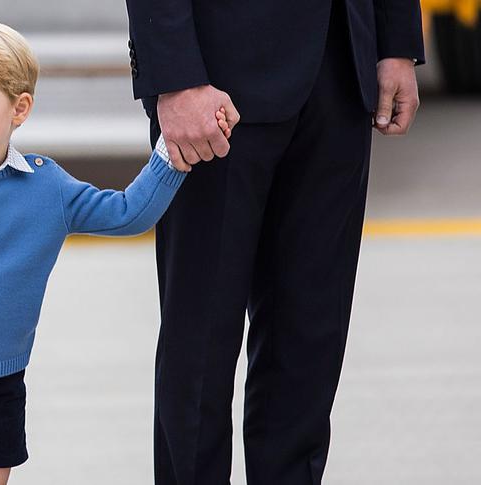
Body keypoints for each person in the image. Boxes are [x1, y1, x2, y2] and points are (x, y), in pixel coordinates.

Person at [0, 20, 230, 485]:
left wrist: (171, 154)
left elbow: (127, 215)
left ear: (20, 109)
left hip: (1, 387)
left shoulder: (47, 186)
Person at [124, 0, 425, 483]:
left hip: (343, 68)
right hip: (216, 84)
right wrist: (175, 73)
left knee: (310, 338)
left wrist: (396, 43)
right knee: (201, 341)